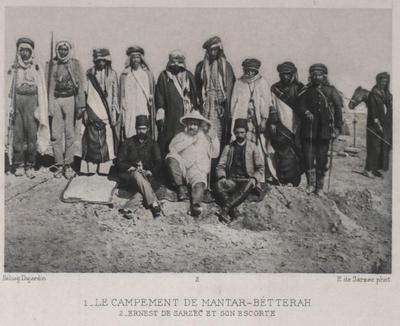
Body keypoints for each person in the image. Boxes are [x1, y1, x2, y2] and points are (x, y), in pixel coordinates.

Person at [6, 37, 50, 178]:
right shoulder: (13, 68)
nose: (25, 53)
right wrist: (9, 106)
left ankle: (30, 164)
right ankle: (18, 164)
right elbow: (8, 89)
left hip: (32, 103)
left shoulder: (36, 68)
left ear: (31, 52)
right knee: (18, 135)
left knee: (32, 135)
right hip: (18, 102)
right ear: (19, 52)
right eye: (22, 50)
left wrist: (40, 108)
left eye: (27, 50)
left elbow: (41, 89)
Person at [297, 63, 343, 195]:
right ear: (311, 76)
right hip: (308, 131)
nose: (317, 77)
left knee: (322, 160)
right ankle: (310, 185)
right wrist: (305, 111)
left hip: (324, 132)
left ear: (324, 75)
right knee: (308, 158)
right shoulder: (307, 90)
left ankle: (320, 188)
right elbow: (299, 106)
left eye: (319, 74)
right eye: (314, 74)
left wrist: (337, 129)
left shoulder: (331, 90)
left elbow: (338, 111)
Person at [165, 111, 219, 217]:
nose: (192, 127)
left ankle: (195, 205)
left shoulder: (205, 138)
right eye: (190, 124)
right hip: (184, 168)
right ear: (187, 124)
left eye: (195, 124)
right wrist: (190, 141)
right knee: (170, 157)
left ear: (198, 125)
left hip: (198, 169)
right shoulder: (181, 136)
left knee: (199, 183)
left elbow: (215, 154)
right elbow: (172, 148)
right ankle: (181, 188)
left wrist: (214, 138)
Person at [230, 58, 274, 182]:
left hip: (257, 121)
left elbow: (266, 102)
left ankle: (260, 177)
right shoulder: (239, 82)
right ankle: (243, 174)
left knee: (259, 147)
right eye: (247, 70)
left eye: (252, 70)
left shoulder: (262, 82)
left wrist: (264, 120)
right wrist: (234, 120)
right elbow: (234, 102)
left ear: (256, 70)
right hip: (242, 120)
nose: (249, 73)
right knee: (243, 145)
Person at [214, 118, 265, 223]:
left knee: (249, 184)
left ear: (246, 132)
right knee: (217, 185)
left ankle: (225, 209)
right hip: (232, 180)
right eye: (237, 133)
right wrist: (222, 177)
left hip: (246, 180)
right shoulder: (228, 147)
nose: (240, 135)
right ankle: (234, 213)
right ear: (234, 133)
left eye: (242, 132)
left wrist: (254, 179)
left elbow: (260, 167)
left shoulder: (253, 147)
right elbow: (220, 165)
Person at [48, 40, 85, 179]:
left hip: (70, 100)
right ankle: (58, 164)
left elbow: (81, 85)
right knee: (56, 134)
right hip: (56, 100)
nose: (63, 51)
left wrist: (81, 105)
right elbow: (49, 87)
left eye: (65, 49)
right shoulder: (52, 64)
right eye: (60, 49)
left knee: (70, 133)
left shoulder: (75, 64)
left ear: (69, 50)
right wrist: (49, 106)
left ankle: (68, 165)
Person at [80, 48, 119, 175]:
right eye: (98, 60)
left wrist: (113, 111)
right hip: (92, 109)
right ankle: (90, 167)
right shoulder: (89, 73)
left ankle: (104, 167)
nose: (101, 63)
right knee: (91, 139)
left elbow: (115, 95)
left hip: (106, 112)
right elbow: (85, 93)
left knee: (106, 139)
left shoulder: (112, 74)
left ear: (107, 61)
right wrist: (85, 110)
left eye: (103, 60)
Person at [117, 115, 162, 218]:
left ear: (148, 129)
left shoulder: (153, 143)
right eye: (139, 129)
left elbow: (159, 162)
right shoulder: (128, 143)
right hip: (131, 177)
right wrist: (130, 167)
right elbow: (119, 162)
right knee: (137, 175)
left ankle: (128, 208)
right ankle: (154, 204)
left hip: (148, 176)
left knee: (141, 192)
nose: (141, 131)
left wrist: (151, 171)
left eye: (144, 129)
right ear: (135, 129)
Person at [155, 50, 198, 157]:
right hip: (171, 114)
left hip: (186, 113)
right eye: (173, 64)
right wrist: (160, 110)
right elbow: (159, 94)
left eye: (178, 64)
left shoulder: (188, 76)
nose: (175, 67)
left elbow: (194, 95)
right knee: (169, 138)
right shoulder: (164, 76)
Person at [195, 36, 236, 148]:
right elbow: (197, 87)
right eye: (211, 50)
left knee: (219, 133)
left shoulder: (226, 67)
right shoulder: (200, 67)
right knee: (204, 132)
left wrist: (223, 102)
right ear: (207, 51)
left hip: (220, 105)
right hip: (206, 103)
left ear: (219, 51)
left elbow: (230, 88)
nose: (213, 52)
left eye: (216, 50)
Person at [269, 61, 304, 186]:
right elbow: (271, 106)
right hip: (281, 125)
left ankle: (295, 180)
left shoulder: (300, 88)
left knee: (297, 152)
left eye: (287, 74)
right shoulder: (274, 88)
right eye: (282, 74)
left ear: (292, 74)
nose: (285, 77)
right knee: (282, 152)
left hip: (297, 125)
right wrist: (273, 122)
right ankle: (282, 178)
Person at [120, 46, 156, 140]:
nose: (136, 60)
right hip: (130, 106)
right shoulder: (125, 75)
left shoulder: (147, 74)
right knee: (130, 127)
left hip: (142, 105)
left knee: (143, 126)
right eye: (134, 57)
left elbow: (151, 92)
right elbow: (122, 93)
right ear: (130, 59)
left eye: (138, 57)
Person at [363, 72, 392, 178]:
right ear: (378, 81)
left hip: (386, 125)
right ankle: (368, 169)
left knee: (382, 147)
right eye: (382, 81)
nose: (384, 83)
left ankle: (375, 169)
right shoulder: (373, 94)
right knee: (373, 147)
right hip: (374, 126)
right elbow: (373, 111)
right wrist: (377, 124)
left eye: (385, 81)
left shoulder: (387, 94)